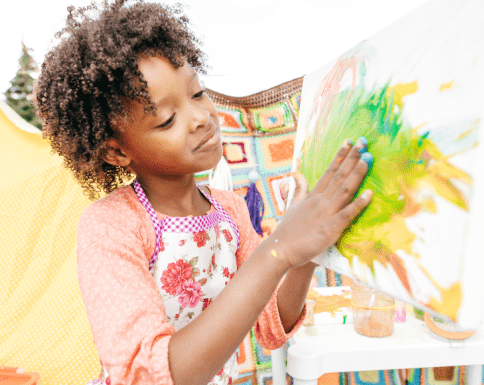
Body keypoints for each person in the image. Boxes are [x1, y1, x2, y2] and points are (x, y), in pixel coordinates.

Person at [34, 1, 374, 384]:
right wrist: (278, 249)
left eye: (197, 93)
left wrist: (306, 253)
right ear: (117, 150)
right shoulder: (111, 226)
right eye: (166, 120)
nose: (200, 118)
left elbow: (272, 325)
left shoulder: (229, 210)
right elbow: (149, 375)